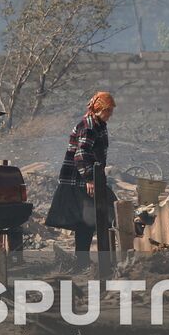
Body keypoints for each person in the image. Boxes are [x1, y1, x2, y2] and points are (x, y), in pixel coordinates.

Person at [45, 91, 116, 266]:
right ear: (98, 109)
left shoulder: (99, 124)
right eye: (107, 111)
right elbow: (81, 154)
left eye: (111, 111)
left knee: (88, 220)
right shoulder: (89, 126)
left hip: (89, 178)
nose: (109, 115)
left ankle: (83, 261)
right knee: (100, 214)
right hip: (80, 180)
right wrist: (89, 179)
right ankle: (87, 261)